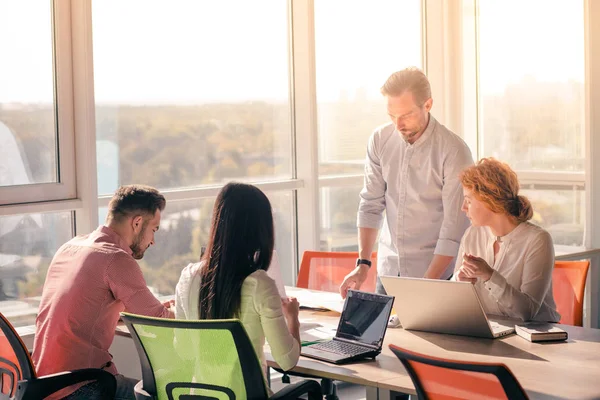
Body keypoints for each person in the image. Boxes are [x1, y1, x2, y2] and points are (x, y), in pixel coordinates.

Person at [340, 67, 474, 297]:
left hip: (435, 277)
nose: (398, 124)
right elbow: (371, 204)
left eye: (406, 115)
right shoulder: (380, 140)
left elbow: (454, 229)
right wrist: (363, 264)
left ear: (428, 105)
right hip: (389, 273)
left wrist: (424, 286)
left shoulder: (454, 151)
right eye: (392, 116)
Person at [32, 185, 175, 400]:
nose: (153, 240)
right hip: (81, 387)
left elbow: (85, 311)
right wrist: (183, 308)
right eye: (154, 229)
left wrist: (151, 309)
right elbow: (160, 322)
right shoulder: (116, 259)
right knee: (164, 395)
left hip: (44, 384)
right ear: (137, 223)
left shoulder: (71, 246)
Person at [175, 182, 300, 391]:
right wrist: (293, 318)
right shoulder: (260, 285)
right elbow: (287, 361)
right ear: (261, 230)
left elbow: (184, 351)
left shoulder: (187, 278)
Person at [453, 158, 560, 322]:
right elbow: (457, 302)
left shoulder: (537, 240)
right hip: (489, 332)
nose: (463, 208)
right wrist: (460, 282)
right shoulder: (472, 235)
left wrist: (489, 275)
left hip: (536, 338)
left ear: (490, 200)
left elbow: (527, 311)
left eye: (468, 200)